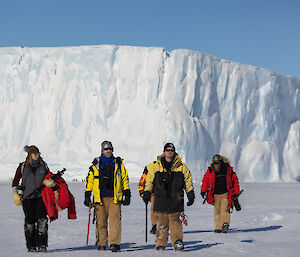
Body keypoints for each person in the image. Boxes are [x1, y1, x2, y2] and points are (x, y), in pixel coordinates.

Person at [143, 143, 195, 251]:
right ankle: (161, 243)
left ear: (174, 151)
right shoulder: (156, 166)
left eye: (171, 150)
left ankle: (177, 241)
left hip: (176, 199)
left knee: (175, 221)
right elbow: (149, 180)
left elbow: (188, 180)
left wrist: (190, 193)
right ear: (164, 151)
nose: (169, 152)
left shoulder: (181, 166)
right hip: (160, 198)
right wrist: (147, 192)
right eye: (167, 150)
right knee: (162, 223)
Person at [84, 140, 131, 252]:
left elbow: (124, 179)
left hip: (114, 198)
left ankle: (114, 243)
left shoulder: (118, 164)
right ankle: (101, 243)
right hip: (99, 198)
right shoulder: (96, 165)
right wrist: (87, 194)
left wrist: (127, 193)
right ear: (102, 151)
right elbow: (89, 181)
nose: (108, 151)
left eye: (109, 149)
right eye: (106, 149)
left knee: (115, 222)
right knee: (101, 222)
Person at [12, 145, 56, 252]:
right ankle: (31, 246)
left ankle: (42, 245)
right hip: (27, 199)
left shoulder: (44, 166)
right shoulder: (22, 166)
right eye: (35, 154)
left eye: (38, 154)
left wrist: (50, 183)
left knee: (42, 221)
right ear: (30, 155)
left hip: (41, 198)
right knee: (30, 222)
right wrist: (15, 194)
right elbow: (15, 181)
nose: (37, 156)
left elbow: (49, 177)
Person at [200, 154, 241, 233]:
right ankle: (218, 227)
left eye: (217, 163)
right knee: (217, 211)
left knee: (225, 209)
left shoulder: (228, 170)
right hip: (215, 195)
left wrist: (236, 192)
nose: (216, 165)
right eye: (215, 163)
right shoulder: (210, 171)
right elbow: (205, 181)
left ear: (221, 162)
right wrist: (203, 191)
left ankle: (225, 224)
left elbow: (235, 181)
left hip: (226, 194)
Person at [138, 163, 158, 234]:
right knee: (154, 207)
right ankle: (155, 225)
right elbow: (142, 181)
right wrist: (143, 193)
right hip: (154, 191)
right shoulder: (150, 167)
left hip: (168, 192)